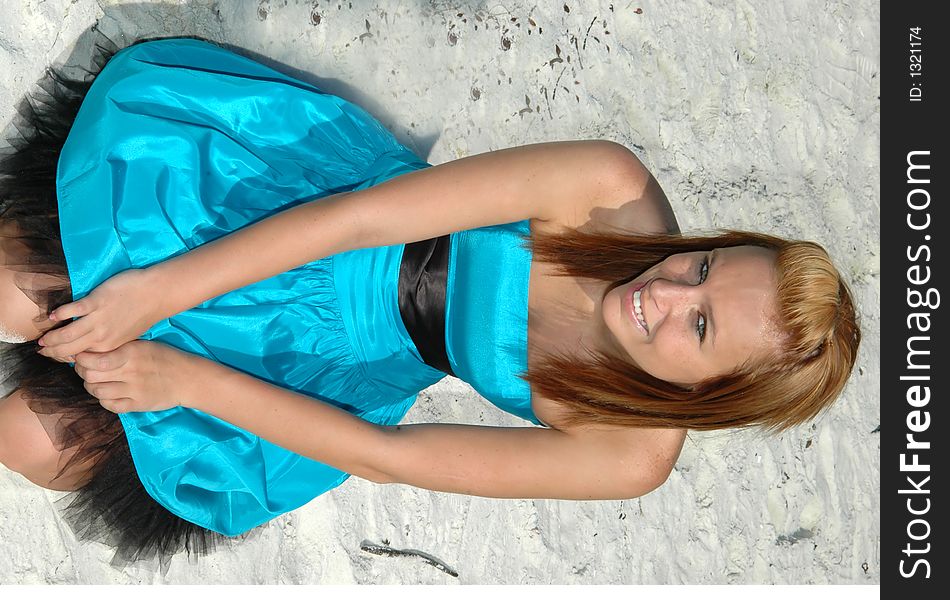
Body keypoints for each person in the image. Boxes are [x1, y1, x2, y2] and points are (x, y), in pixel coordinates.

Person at [2, 38, 859, 562]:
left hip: (317, 362)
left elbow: (392, 456)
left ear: (714, 396)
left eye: (700, 327)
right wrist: (156, 291)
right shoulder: (607, 189)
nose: (666, 292)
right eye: (703, 266)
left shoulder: (629, 456)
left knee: (33, 443)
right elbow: (362, 216)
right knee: (16, 288)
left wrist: (184, 381)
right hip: (290, 213)